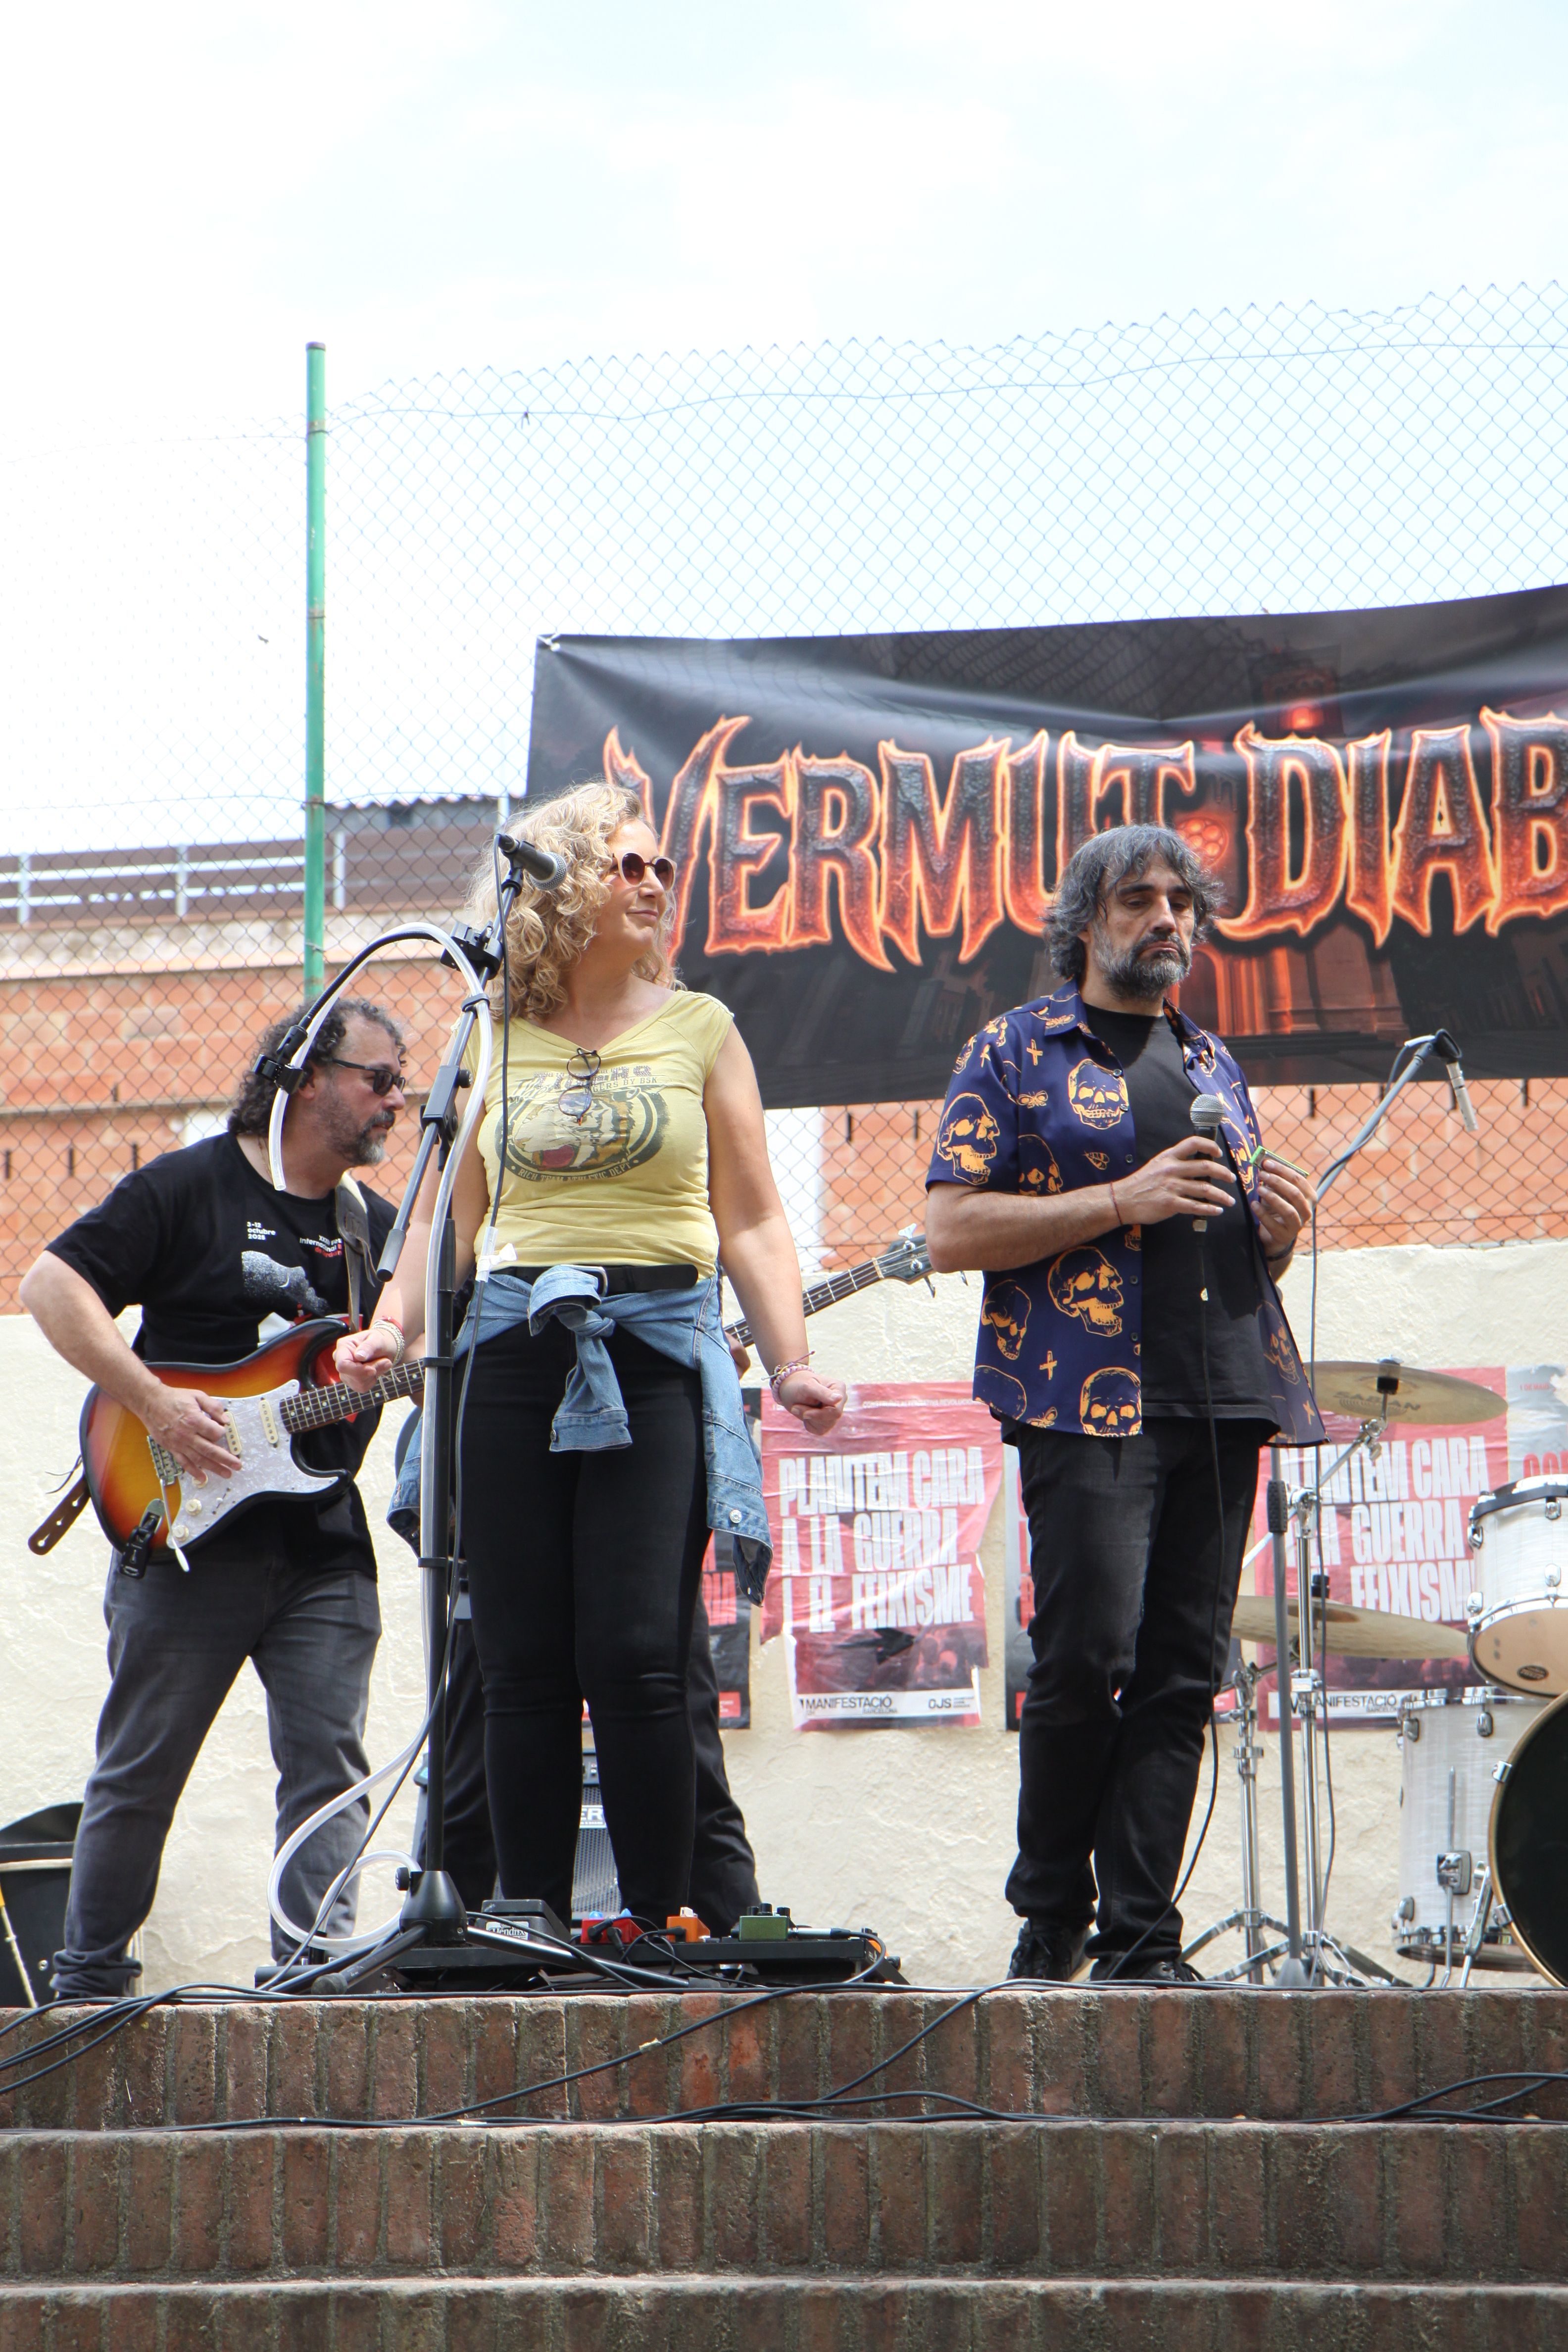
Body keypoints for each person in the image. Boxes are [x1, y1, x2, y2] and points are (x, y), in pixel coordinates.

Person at [347, 780, 844, 1930]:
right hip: (512, 1348)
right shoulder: (490, 1039)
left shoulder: (702, 1028)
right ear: (563, 884)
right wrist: (391, 1324)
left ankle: (657, 1926)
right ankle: (529, 1919)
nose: (656, 880)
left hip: (652, 1348)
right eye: (628, 863)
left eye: (662, 865)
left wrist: (792, 1360)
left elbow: (753, 1218)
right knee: (519, 1657)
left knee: (635, 1651)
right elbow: (444, 1221)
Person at [925, 824, 1323, 1986]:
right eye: (1139, 898)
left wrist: (1278, 1238)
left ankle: (1142, 1937)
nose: (1166, 919)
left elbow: (1222, 1236)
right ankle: (1052, 1912)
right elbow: (950, 1228)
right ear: (1085, 923)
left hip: (1225, 1394)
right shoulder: (1015, 1051)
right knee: (1083, 1653)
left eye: (1182, 903)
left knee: (1182, 1671)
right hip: (1083, 1397)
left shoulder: (1213, 1064)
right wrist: (1121, 1199)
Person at [21, 1001, 409, 2000]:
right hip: (181, 1536)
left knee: (328, 1770)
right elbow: (51, 1287)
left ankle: (313, 1980)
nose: (398, 1101)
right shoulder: (188, 1186)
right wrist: (152, 1400)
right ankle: (87, 1986)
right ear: (308, 1077)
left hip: (322, 1545)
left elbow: (419, 1341)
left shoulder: (374, 1231)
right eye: (379, 1078)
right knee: (141, 1770)